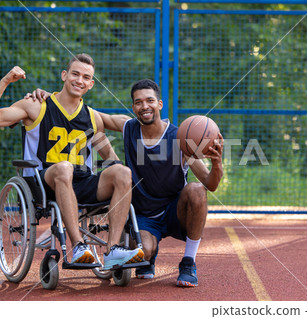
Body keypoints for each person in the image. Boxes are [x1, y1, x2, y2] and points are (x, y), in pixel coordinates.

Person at [29, 79, 223, 287]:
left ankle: (188, 262)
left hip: (173, 211)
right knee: (143, 254)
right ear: (133, 108)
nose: (144, 106)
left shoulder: (180, 139)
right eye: (138, 102)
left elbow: (210, 184)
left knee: (196, 189)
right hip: (143, 216)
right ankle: (149, 256)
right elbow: (84, 112)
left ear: (159, 104)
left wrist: (216, 163)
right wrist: (53, 99)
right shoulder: (129, 127)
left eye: (150, 101)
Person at [0, 54, 144, 270]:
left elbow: (113, 156)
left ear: (91, 84)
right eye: (75, 74)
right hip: (44, 183)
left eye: (86, 77)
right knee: (65, 168)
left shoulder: (93, 118)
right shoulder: (36, 105)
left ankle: (112, 251)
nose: (79, 80)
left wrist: (125, 179)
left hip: (82, 183)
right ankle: (79, 247)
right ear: (64, 75)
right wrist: (6, 80)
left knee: (122, 172)